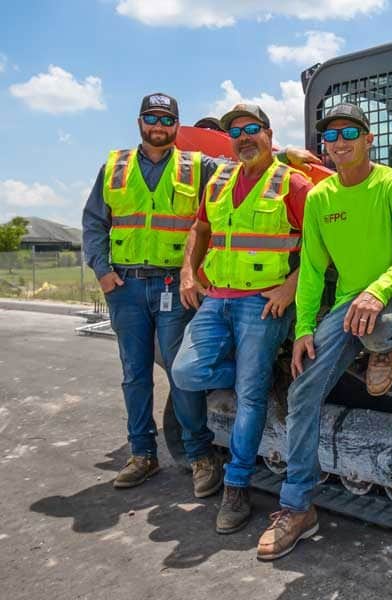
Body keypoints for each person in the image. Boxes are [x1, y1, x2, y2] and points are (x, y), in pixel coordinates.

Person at [255, 103, 392, 560]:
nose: (340, 141)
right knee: (301, 391)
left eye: (350, 132)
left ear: (369, 139)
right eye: (331, 136)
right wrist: (305, 329)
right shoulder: (320, 198)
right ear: (324, 146)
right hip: (349, 304)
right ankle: (297, 508)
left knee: (382, 325)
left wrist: (378, 291)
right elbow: (312, 270)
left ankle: (383, 350)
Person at [171, 104, 313, 534]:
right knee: (186, 372)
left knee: (249, 399)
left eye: (253, 129)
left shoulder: (292, 183)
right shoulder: (218, 180)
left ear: (269, 134)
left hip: (261, 302)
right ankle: (258, 372)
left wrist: (291, 286)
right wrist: (187, 270)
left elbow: (322, 244)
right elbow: (201, 229)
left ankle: (236, 487)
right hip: (217, 298)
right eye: (237, 131)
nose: (244, 136)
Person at [82, 93, 221, 495]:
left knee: (182, 374)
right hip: (125, 287)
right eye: (151, 118)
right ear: (140, 122)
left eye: (166, 119)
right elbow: (94, 221)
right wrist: (103, 271)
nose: (158, 126)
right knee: (135, 375)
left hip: (173, 288)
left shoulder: (199, 166)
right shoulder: (114, 167)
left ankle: (199, 455)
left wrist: (288, 158)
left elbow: (245, 172)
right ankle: (142, 454)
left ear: (177, 125)